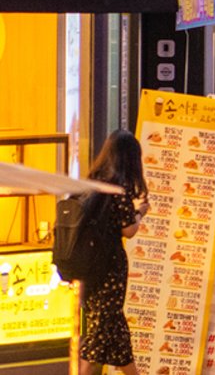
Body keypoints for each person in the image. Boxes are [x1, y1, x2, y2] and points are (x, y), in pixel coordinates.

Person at [79, 130, 148, 375]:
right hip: (109, 268)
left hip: (90, 267)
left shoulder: (94, 181)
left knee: (114, 329)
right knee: (101, 330)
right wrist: (140, 212)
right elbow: (128, 230)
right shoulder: (119, 189)